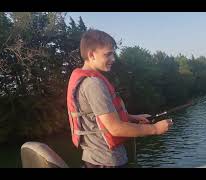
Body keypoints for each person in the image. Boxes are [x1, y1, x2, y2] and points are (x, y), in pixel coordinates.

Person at [66, 29, 173, 168]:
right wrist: (155, 129)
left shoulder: (88, 81)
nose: (113, 59)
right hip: (107, 162)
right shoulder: (93, 84)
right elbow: (115, 128)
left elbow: (99, 117)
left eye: (113, 54)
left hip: (96, 160)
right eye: (108, 54)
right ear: (91, 55)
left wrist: (133, 117)